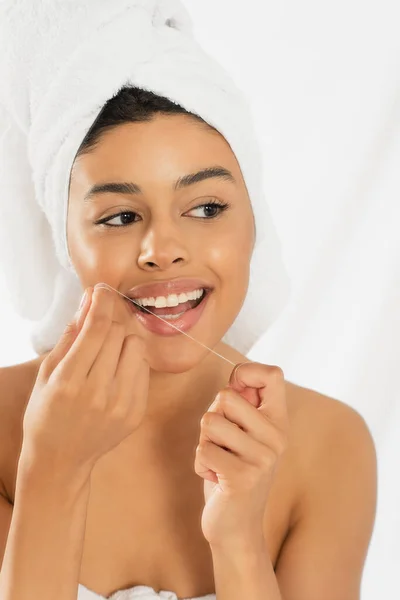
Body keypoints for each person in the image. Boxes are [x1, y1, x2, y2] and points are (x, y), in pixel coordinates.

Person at [0, 86, 377, 600]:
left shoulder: (331, 445)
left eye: (205, 208)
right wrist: (52, 471)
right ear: (67, 243)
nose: (164, 251)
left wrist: (240, 543)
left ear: (254, 224)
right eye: (120, 217)